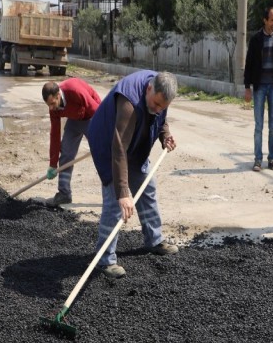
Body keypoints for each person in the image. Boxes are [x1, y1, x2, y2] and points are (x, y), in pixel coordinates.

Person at [87, 70, 179, 279]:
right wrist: (123, 193)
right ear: (149, 88)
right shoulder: (129, 101)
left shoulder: (158, 95)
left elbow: (160, 118)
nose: (157, 109)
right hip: (109, 145)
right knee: (114, 203)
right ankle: (105, 260)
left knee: (147, 188)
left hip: (135, 143)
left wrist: (165, 135)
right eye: (155, 104)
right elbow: (119, 148)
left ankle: (154, 240)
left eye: (162, 107)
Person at [41, 78, 102, 206]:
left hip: (92, 116)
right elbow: (55, 134)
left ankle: (112, 196)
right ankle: (64, 194)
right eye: (49, 105)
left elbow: (95, 109)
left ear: (58, 95)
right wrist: (52, 164)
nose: (51, 108)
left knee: (102, 155)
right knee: (66, 154)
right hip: (74, 120)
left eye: (53, 103)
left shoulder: (73, 90)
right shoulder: (54, 109)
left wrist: (104, 135)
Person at [244, 7, 273, 172]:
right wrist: (247, 87)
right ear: (265, 20)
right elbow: (248, 64)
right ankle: (257, 160)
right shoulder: (256, 39)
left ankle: (272, 159)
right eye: (272, 20)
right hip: (259, 87)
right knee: (258, 126)